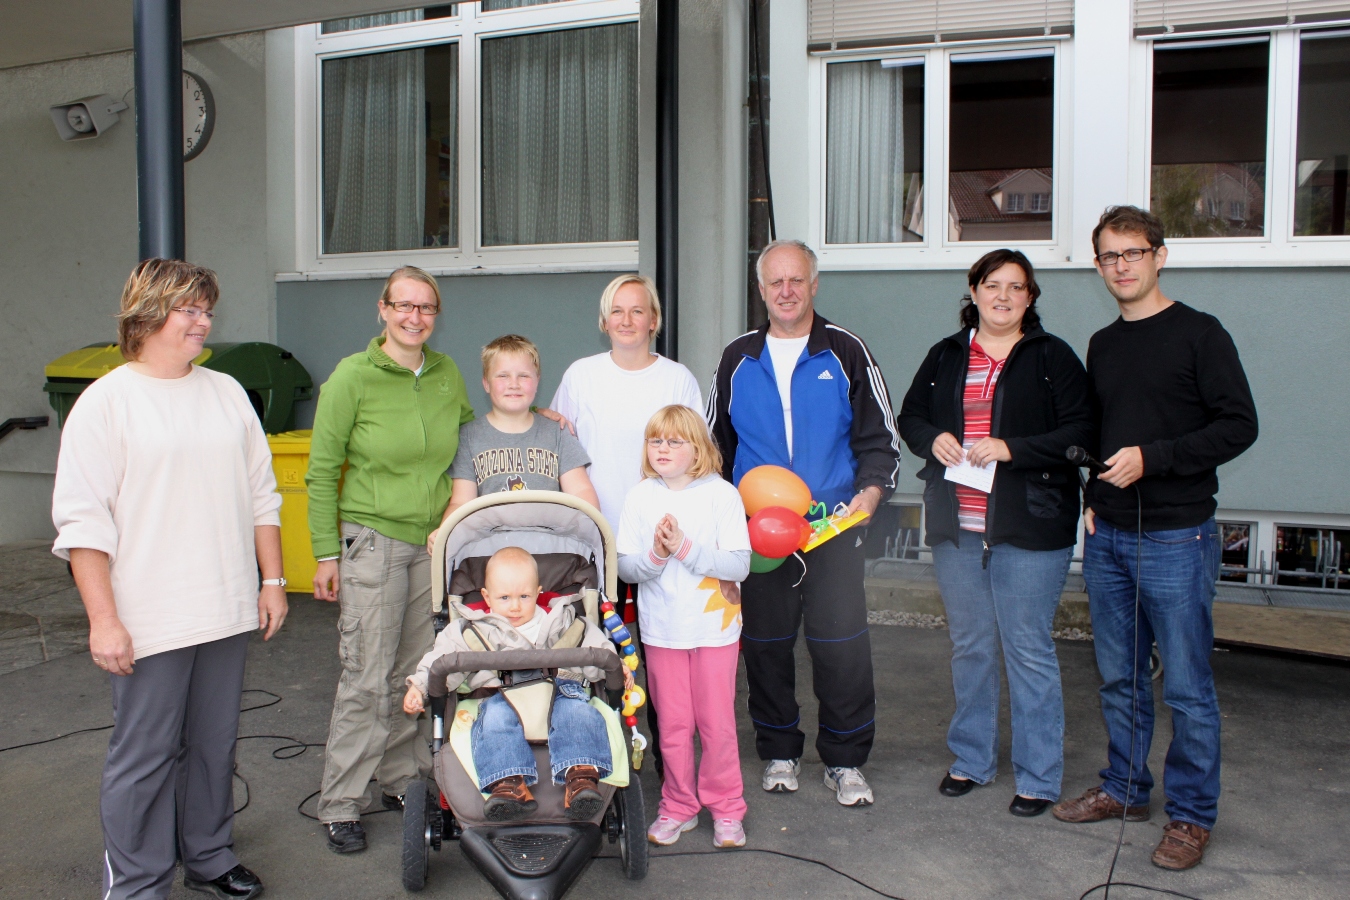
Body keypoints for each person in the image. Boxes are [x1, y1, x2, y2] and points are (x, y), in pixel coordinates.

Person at [52, 258, 286, 900]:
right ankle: (137, 883)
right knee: (145, 756)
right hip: (149, 615)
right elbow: (83, 525)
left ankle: (208, 857)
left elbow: (262, 495)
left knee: (214, 746)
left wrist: (272, 581)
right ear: (147, 314)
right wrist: (104, 620)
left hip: (226, 606)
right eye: (188, 309)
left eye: (207, 309)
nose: (202, 321)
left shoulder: (226, 392)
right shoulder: (106, 403)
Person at [1052, 206, 1258, 871]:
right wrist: (1094, 497)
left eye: (1132, 253)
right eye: (1109, 257)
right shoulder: (1103, 343)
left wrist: (1154, 458)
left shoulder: (1201, 334)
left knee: (1188, 688)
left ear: (1159, 256)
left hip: (1177, 536)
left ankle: (1191, 816)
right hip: (1109, 535)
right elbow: (1104, 431)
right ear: (1098, 266)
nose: (1121, 266)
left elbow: (1239, 425)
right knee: (1120, 677)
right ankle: (1124, 788)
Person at [707, 239, 902, 807]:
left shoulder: (846, 351)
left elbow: (881, 439)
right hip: (760, 534)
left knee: (841, 648)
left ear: (814, 285)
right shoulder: (737, 358)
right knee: (765, 646)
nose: (787, 291)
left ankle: (845, 760)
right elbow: (714, 447)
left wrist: (870, 495)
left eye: (797, 280)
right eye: (776, 282)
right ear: (761, 290)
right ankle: (778, 751)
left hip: (832, 528)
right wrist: (722, 521)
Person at [898, 249, 1092, 818]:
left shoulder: (1052, 356)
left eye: (1016, 287)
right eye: (992, 285)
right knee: (971, 645)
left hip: (1030, 525)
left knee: (1027, 648)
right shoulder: (946, 354)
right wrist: (932, 438)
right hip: (958, 526)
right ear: (975, 291)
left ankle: (1038, 776)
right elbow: (911, 417)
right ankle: (971, 758)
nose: (1003, 296)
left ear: (1030, 298)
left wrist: (1013, 449)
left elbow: (1082, 431)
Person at [308, 266, 476, 854]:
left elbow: (471, 440)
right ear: (382, 309)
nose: (414, 317)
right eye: (403, 305)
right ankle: (340, 802)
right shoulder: (351, 377)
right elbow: (322, 471)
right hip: (373, 540)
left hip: (430, 545)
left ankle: (401, 780)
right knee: (366, 674)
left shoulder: (445, 373)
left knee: (415, 671)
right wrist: (324, 552)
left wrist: (537, 418)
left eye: (425, 307)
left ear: (436, 315)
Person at [549, 274, 702, 774]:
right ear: (603, 320)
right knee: (599, 653)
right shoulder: (581, 375)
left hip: (659, 541)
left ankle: (669, 766)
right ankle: (600, 758)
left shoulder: (677, 379)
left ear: (654, 320)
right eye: (617, 310)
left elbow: (698, 457)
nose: (627, 320)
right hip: (595, 540)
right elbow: (556, 440)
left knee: (660, 655)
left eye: (638, 310)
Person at [403, 547, 628, 820]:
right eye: (504, 598)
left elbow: (596, 646)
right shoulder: (472, 630)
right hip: (499, 695)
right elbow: (439, 659)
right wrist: (419, 685)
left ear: (538, 592)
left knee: (579, 714)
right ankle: (508, 785)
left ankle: (581, 779)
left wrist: (618, 667)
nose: (515, 606)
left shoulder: (563, 621)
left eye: (524, 596)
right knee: (494, 721)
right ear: (486, 596)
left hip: (560, 692)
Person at [616, 405, 751, 848]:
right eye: (655, 440)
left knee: (717, 725)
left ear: (698, 448)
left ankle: (727, 807)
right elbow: (626, 567)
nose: (663, 449)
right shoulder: (640, 497)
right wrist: (658, 554)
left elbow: (739, 564)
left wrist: (684, 548)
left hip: (714, 631)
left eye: (675, 441)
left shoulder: (722, 495)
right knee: (673, 727)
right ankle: (677, 805)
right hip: (662, 632)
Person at [435, 334, 600, 531]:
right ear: (486, 383)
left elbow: (581, 491)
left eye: (523, 376)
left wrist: (589, 526)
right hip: (491, 546)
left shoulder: (557, 432)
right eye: (502, 376)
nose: (514, 384)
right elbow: (461, 502)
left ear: (537, 381)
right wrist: (444, 532)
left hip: (549, 544)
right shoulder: (468, 437)